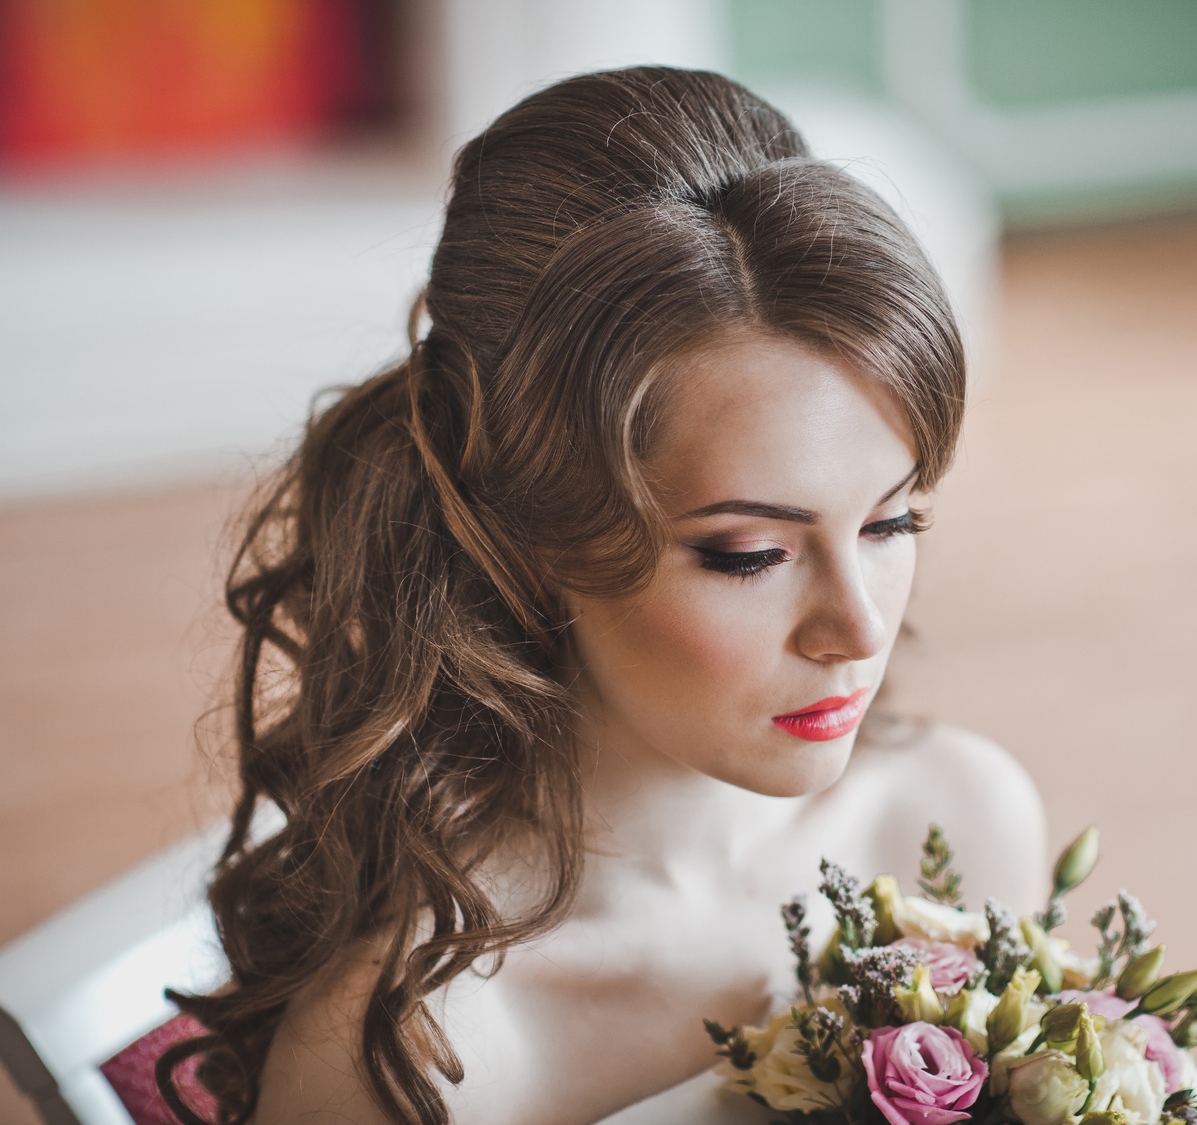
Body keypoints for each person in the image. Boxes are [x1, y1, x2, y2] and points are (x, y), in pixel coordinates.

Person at [164, 67, 1045, 1125]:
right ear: (528, 538)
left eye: (891, 523)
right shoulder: (422, 1061)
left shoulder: (955, 819)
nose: (859, 627)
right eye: (748, 554)